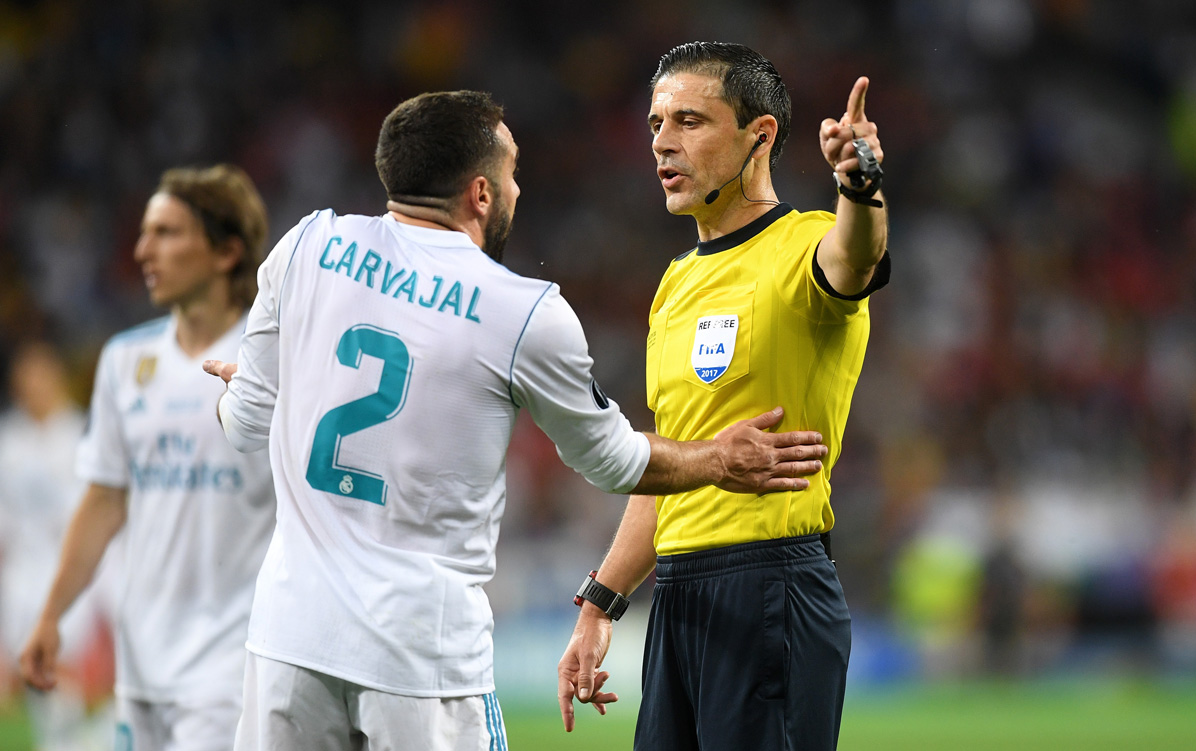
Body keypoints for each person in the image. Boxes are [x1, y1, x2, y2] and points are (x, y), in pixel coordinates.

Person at [203, 89, 828, 751]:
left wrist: (233, 393)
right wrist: (719, 459)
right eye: (512, 174)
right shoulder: (520, 309)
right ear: (480, 193)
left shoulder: (306, 245)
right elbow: (614, 462)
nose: (517, 190)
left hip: (285, 643)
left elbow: (245, 423)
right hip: (420, 657)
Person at [557, 42, 890, 751]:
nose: (662, 144)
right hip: (679, 596)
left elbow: (855, 256)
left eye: (689, 121)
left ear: (759, 134)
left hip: (772, 586)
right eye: (654, 124)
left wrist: (860, 185)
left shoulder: (805, 244)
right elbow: (668, 464)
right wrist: (601, 601)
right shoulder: (675, 283)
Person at [20, 165, 277, 751]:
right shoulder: (123, 361)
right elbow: (105, 500)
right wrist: (52, 614)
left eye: (167, 233)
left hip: (234, 657)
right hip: (143, 659)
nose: (142, 250)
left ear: (226, 251)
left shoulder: (270, 360)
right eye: (144, 232)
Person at [0, 341, 114, 751]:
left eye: (39, 376)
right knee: (36, 681)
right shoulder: (9, 441)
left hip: (74, 573)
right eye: (24, 379)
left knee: (68, 675)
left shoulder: (81, 433)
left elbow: (101, 517)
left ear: (56, 378)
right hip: (22, 580)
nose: (32, 386)